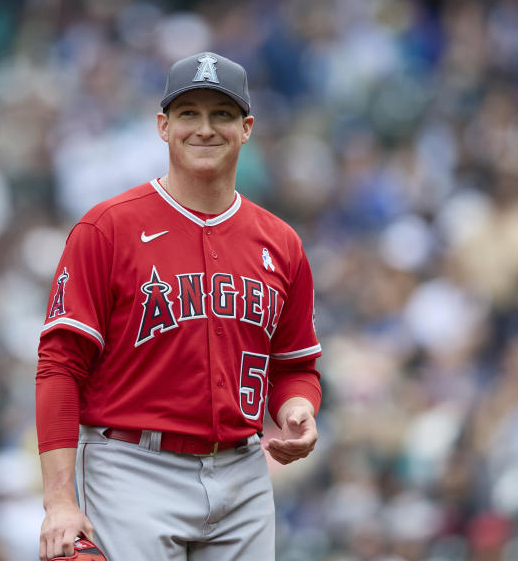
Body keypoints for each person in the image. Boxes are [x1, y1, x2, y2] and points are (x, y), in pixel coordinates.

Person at [35, 52, 323, 560]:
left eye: (222, 114)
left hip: (243, 472)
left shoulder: (281, 242)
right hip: (131, 467)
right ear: (163, 126)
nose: (205, 128)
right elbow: (59, 365)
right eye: (189, 113)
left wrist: (297, 406)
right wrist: (59, 500)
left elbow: (295, 366)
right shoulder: (108, 228)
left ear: (247, 127)